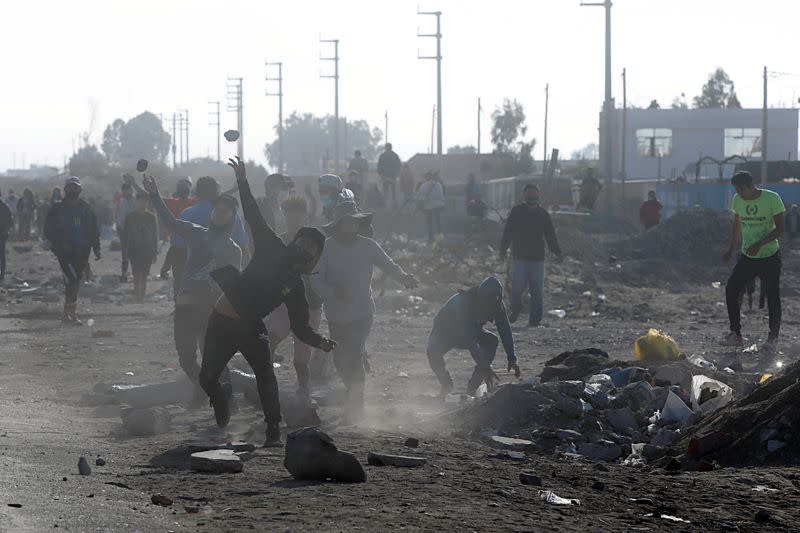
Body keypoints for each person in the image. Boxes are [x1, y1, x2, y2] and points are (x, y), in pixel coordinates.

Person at [200, 157, 335, 447]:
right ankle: (220, 396)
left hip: (251, 327)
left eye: (313, 249)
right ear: (295, 241)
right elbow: (252, 214)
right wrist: (242, 180)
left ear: (315, 258)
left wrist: (320, 341)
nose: (306, 249)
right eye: (304, 242)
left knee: (265, 374)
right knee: (206, 378)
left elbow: (300, 327)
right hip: (221, 320)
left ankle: (273, 429)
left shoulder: (296, 286)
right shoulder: (271, 245)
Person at [128, 174, 242, 405]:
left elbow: (234, 287)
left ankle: (226, 400)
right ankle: (206, 391)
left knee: (214, 360)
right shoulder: (197, 233)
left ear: (232, 218)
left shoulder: (233, 250)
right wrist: (154, 195)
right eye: (216, 210)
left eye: (224, 212)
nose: (218, 214)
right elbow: (170, 222)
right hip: (186, 307)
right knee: (186, 359)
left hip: (211, 312)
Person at [311, 200, 417, 422]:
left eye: (354, 222)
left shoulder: (368, 246)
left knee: (355, 354)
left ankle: (356, 408)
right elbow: (316, 281)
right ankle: (353, 393)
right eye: (346, 222)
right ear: (338, 224)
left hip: (362, 313)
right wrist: (333, 293)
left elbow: (388, 265)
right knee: (340, 360)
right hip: (337, 315)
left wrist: (404, 278)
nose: (351, 226)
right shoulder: (327, 247)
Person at [264, 195, 323, 401]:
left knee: (300, 360)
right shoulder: (278, 242)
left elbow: (325, 273)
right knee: (267, 343)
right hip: (281, 306)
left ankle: (304, 390)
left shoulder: (317, 243)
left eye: (297, 216)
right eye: (288, 216)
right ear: (283, 215)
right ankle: (266, 385)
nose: (292, 220)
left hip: (309, 308)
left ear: (305, 217)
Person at [426, 277, 520, 397]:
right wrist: (486, 367)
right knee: (432, 351)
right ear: (480, 299)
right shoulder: (463, 303)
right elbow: (471, 341)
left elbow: (505, 329)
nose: (490, 309)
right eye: (487, 305)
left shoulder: (497, 304)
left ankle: (472, 388)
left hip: (470, 332)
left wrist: (512, 358)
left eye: (493, 305)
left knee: (491, 340)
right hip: (445, 333)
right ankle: (446, 385)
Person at [722, 171, 785, 347]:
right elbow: (737, 224)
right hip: (748, 256)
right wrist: (731, 248)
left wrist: (759, 244)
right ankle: (736, 334)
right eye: (737, 189)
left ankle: (773, 337)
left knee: (773, 296)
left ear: (751, 186)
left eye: (742, 189)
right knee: (731, 289)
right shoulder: (737, 200)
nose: (739, 193)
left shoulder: (772, 198)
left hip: (769, 256)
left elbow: (780, 229)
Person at [172, 176, 248, 297]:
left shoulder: (187, 214)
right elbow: (243, 246)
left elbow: (178, 246)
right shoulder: (232, 215)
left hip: (194, 285)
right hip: (223, 290)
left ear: (196, 193)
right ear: (217, 193)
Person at [499, 183, 563, 327]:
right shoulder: (517, 212)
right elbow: (507, 232)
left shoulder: (542, 214)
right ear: (524, 195)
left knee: (537, 291)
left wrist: (557, 252)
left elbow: (550, 235)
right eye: (529, 193)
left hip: (537, 259)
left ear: (538, 195)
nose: (531, 196)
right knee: (516, 288)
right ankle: (515, 309)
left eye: (534, 193)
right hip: (520, 257)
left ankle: (535, 320)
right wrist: (502, 251)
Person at [43, 177, 100, 324]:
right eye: (70, 188)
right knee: (72, 279)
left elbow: (94, 230)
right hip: (64, 252)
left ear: (79, 189)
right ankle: (71, 314)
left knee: (74, 281)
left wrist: (96, 248)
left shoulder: (85, 208)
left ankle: (67, 314)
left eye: (75, 187)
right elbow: (48, 230)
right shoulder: (57, 209)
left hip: (82, 252)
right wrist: (59, 244)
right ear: (65, 190)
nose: (72, 190)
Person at [124, 192, 159, 303]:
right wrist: (125, 252)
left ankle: (141, 298)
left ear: (147, 202)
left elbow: (155, 236)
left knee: (144, 275)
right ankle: (137, 296)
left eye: (145, 201)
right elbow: (126, 236)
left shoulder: (151, 217)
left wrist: (155, 252)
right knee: (136, 273)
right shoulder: (130, 217)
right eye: (140, 201)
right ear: (137, 201)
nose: (142, 203)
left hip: (147, 250)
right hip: (134, 249)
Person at [158, 177, 195, 281]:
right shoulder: (195, 202)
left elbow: (151, 196)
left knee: (178, 279)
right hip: (192, 248)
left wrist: (134, 184)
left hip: (177, 246)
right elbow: (215, 198)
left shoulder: (171, 203)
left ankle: (165, 269)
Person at [116, 183, 136, 282]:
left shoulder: (136, 200)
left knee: (135, 252)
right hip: (124, 230)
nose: (125, 192)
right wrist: (119, 227)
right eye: (123, 190)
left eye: (127, 190)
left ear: (131, 190)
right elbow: (119, 215)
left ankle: (136, 273)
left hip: (135, 230)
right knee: (125, 253)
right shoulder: (121, 201)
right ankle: (124, 274)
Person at [418, 171, 446, 245]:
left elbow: (421, 197)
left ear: (426, 177)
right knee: (438, 222)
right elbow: (441, 196)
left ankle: (431, 238)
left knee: (429, 223)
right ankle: (439, 238)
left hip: (428, 207)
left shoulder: (423, 186)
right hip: (437, 206)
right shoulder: (438, 184)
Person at [377, 143, 402, 207]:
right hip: (392, 176)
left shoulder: (382, 156)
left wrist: (381, 175)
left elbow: (379, 166)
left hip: (386, 176)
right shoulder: (395, 155)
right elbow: (399, 166)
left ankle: (385, 205)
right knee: (393, 192)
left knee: (386, 192)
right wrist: (397, 174)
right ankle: (393, 205)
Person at [0, 197, 13, 281]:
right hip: (3, 235)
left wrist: (5, 230)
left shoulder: (5, 207)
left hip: (2, 235)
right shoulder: (5, 207)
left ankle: (2, 274)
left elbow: (10, 222)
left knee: (1, 255)